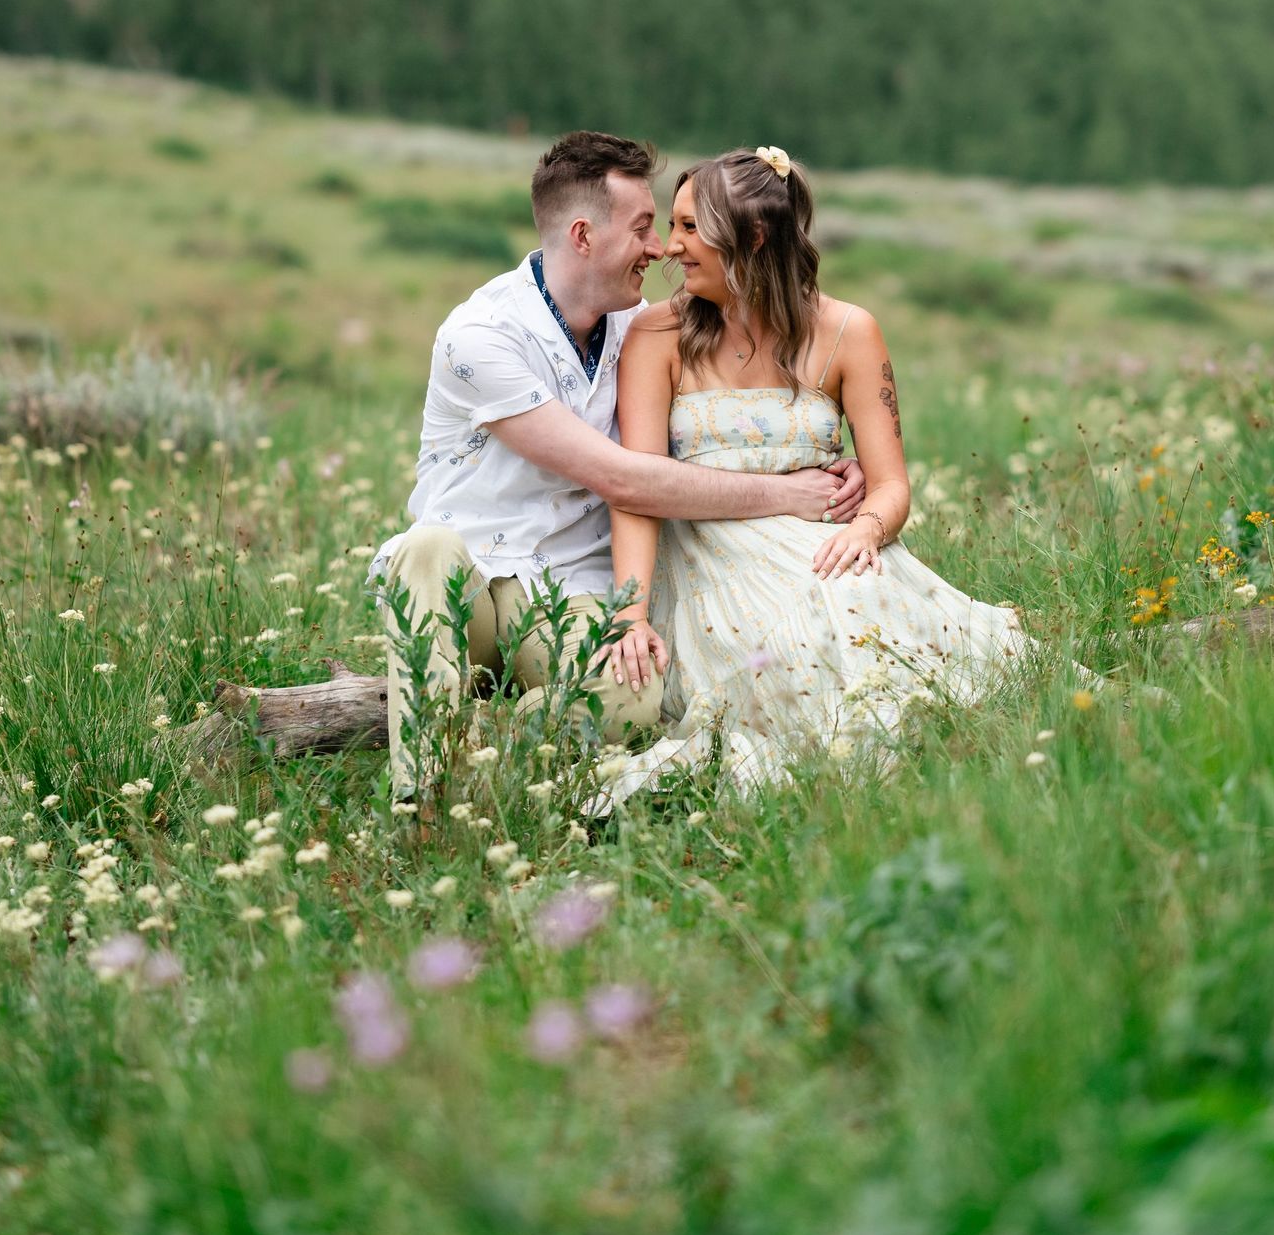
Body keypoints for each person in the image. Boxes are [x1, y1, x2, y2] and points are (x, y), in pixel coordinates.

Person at [372, 131, 865, 792]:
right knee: (425, 549)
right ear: (582, 235)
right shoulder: (480, 337)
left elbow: (736, 387)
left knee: (634, 697)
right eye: (641, 229)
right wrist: (785, 495)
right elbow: (618, 476)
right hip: (469, 587)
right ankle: (422, 797)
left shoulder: (645, 329)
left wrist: (833, 465)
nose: (658, 248)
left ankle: (487, 754)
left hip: (572, 592)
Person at [601, 144, 1038, 802]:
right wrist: (630, 616)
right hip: (708, 561)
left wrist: (867, 528)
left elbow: (891, 485)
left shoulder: (848, 332)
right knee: (803, 634)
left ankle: (932, 771)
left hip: (824, 540)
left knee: (860, 599)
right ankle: (861, 775)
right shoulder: (657, 336)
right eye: (672, 224)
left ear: (751, 238)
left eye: (691, 228)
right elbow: (636, 491)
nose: (671, 246)